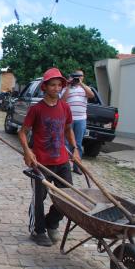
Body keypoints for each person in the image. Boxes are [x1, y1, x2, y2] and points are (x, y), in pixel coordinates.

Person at [18, 68, 80, 247]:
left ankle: (51, 223)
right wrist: (27, 152)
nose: (56, 88)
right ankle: (38, 231)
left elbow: (68, 130)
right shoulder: (36, 109)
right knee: (39, 199)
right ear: (45, 87)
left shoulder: (65, 108)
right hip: (41, 163)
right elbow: (23, 132)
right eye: (52, 85)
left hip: (61, 161)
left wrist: (75, 149)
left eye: (59, 85)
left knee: (68, 197)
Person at [62, 69, 94, 175]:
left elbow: (91, 95)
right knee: (66, 143)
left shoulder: (85, 88)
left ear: (83, 77)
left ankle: (77, 166)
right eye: (76, 76)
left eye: (80, 76)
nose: (77, 78)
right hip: (68, 120)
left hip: (81, 119)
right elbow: (62, 100)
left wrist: (81, 84)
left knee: (78, 144)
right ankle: (65, 165)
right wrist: (68, 85)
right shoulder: (67, 88)